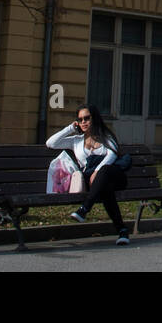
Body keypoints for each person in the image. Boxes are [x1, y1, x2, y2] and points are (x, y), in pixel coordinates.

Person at [46, 104, 131, 245]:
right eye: (80, 119)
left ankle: (84, 209)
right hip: (98, 184)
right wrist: (70, 128)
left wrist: (97, 171)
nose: (83, 122)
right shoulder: (76, 141)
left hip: (114, 176)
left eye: (87, 118)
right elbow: (50, 143)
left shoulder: (106, 136)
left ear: (95, 118)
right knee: (105, 190)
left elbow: (112, 155)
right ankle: (122, 231)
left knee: (104, 172)